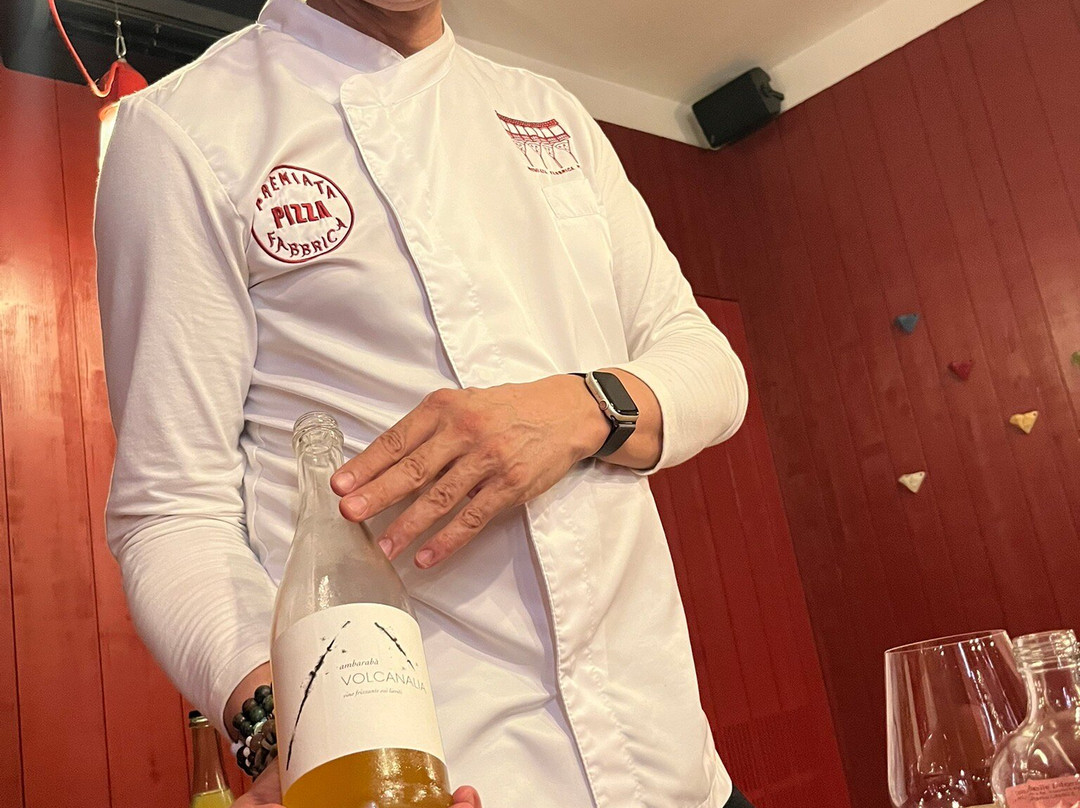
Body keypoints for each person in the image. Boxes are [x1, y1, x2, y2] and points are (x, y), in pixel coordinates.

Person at [94, 0, 751, 805]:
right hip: (442, 778)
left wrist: (577, 409)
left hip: (676, 766)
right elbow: (169, 511)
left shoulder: (550, 113)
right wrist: (282, 731)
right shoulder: (182, 131)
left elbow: (707, 366)